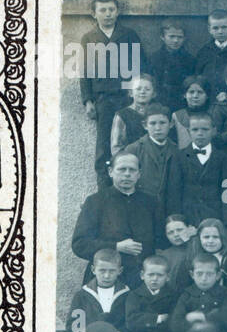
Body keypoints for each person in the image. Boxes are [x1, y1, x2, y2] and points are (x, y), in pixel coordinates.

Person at [72, 151, 162, 288]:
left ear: (139, 174)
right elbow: (80, 244)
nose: (127, 174)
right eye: (122, 169)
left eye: (132, 170)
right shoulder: (95, 201)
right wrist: (116, 247)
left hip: (140, 282)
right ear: (110, 172)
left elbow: (160, 241)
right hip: (106, 281)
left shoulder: (150, 202)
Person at [78, 0, 142, 178]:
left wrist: (135, 93)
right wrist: (88, 101)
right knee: (104, 146)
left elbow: (139, 65)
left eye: (111, 10)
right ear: (94, 14)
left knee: (129, 141)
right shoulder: (89, 38)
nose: (108, 14)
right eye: (103, 10)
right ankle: (104, 190)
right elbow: (85, 72)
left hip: (126, 97)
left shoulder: (129, 35)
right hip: (103, 100)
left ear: (118, 12)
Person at [123, 104, 176, 213]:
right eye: (153, 123)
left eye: (162, 123)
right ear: (145, 125)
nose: (158, 128)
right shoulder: (134, 149)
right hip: (140, 208)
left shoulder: (176, 150)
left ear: (171, 124)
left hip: (168, 210)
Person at [145, 20, 193, 108]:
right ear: (162, 37)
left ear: (184, 38)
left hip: (182, 104)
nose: (176, 40)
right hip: (159, 103)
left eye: (180, 37)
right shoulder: (154, 59)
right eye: (171, 36)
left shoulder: (190, 60)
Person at [110, 74, 156, 157]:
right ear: (131, 93)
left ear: (153, 94)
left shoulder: (157, 114)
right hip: (130, 161)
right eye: (138, 89)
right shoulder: (122, 115)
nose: (142, 92)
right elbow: (116, 147)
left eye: (147, 89)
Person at [171, 76, 213, 150]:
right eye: (191, 92)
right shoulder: (177, 116)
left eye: (200, 92)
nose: (195, 96)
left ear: (207, 95)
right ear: (184, 95)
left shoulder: (213, 114)